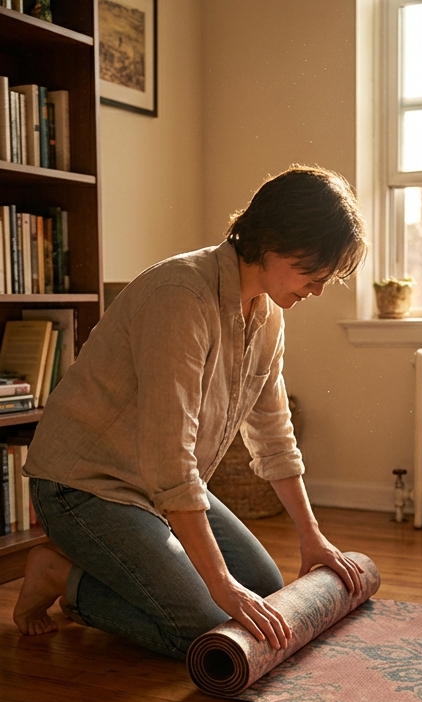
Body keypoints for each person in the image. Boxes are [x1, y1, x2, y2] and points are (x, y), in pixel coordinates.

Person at [11, 165, 369, 660]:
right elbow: (170, 457)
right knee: (208, 626)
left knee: (265, 589)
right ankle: (58, 573)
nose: (318, 289)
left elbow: (273, 435)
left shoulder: (267, 316)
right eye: (313, 272)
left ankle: (116, 572)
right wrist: (220, 586)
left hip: (158, 490)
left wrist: (313, 539)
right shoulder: (181, 297)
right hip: (83, 487)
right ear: (270, 242)